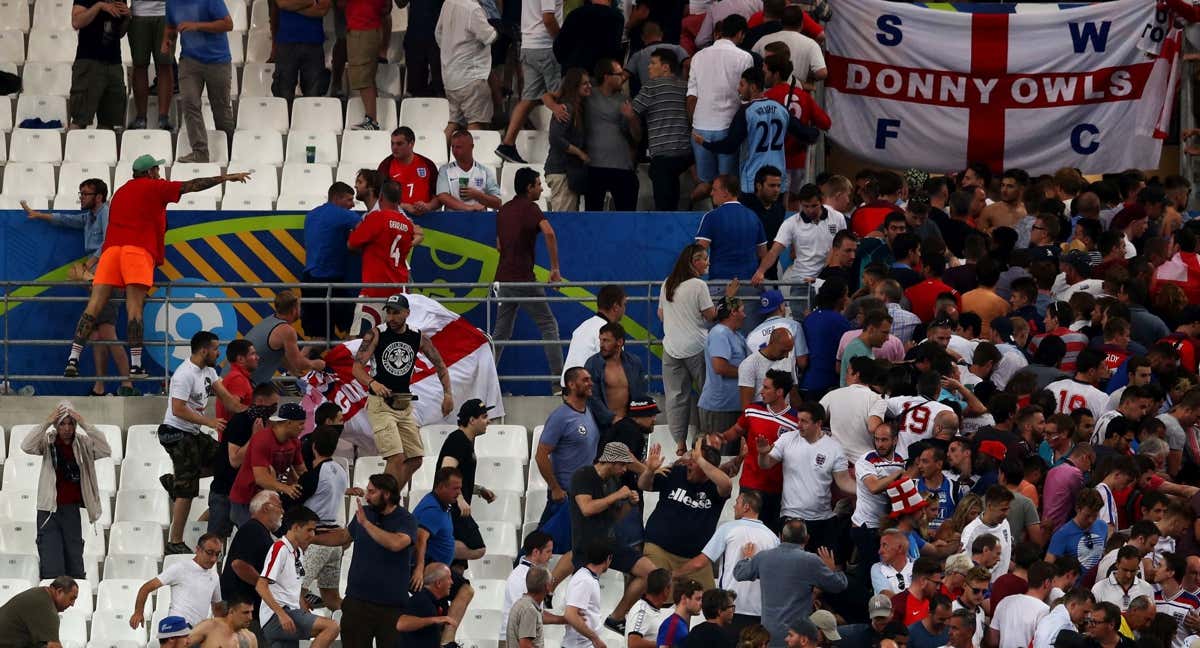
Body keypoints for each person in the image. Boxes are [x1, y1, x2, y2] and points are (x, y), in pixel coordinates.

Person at [62, 159, 249, 377]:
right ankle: (135, 365)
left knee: (93, 306)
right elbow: (192, 185)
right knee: (134, 309)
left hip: (111, 252)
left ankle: (73, 359)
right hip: (137, 252)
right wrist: (225, 178)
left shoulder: (121, 191)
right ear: (150, 172)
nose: (159, 173)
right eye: (157, 169)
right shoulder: (155, 186)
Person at [21, 182, 136, 397]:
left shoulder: (106, 213)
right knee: (96, 334)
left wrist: (89, 265)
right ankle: (100, 386)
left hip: (108, 277)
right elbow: (66, 219)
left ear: (99, 197)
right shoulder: (89, 217)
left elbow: (110, 242)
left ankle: (127, 383)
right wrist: (38, 215)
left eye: (85, 194)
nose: (81, 198)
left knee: (108, 332)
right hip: (96, 279)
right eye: (80, 193)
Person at [158, 330, 249, 554]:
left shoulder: (209, 371)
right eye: (216, 349)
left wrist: (250, 413)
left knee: (225, 463)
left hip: (192, 432)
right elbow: (178, 409)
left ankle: (177, 481)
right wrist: (208, 421)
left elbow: (227, 398)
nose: (219, 353)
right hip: (174, 432)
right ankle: (175, 542)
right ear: (203, 350)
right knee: (188, 489)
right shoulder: (184, 374)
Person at [308, 473, 418, 648]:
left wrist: (366, 524)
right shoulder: (364, 513)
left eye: (372, 492)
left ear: (387, 494)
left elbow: (396, 543)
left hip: (392, 607)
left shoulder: (406, 520)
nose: (366, 496)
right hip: (357, 602)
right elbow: (344, 536)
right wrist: (312, 539)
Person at [353, 293, 454, 486]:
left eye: (396, 313)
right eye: (388, 312)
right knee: (396, 458)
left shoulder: (417, 336)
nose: (390, 317)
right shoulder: (376, 334)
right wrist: (372, 382)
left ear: (407, 313)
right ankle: (383, 501)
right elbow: (356, 368)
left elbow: (440, 364)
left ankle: (389, 497)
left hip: (404, 404)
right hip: (380, 404)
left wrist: (448, 394)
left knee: (415, 459)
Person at [568, 442, 658, 633]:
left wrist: (629, 504)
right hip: (587, 547)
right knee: (585, 608)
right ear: (611, 461)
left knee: (650, 572)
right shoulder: (584, 476)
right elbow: (587, 508)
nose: (625, 470)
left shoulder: (612, 481)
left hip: (609, 542)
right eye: (623, 465)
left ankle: (616, 618)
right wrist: (616, 495)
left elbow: (615, 517)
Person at [693, 67, 818, 196]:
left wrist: (705, 143)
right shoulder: (781, 109)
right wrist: (815, 132)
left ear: (752, 87)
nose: (738, 89)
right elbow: (807, 134)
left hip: (753, 181)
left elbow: (730, 146)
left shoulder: (746, 112)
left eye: (742, 84)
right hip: (777, 180)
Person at [492, 167, 565, 390]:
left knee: (501, 332)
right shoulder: (531, 209)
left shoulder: (504, 210)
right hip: (523, 279)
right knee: (548, 325)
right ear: (529, 188)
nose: (542, 188)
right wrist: (555, 269)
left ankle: (486, 380)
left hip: (503, 279)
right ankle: (557, 383)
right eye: (538, 184)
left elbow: (498, 244)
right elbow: (549, 232)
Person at [22, 402, 111, 580]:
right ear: (56, 424)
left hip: (71, 510)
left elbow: (105, 449)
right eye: (62, 423)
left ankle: (75, 604)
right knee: (51, 565)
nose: (67, 428)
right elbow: (26, 445)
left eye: (71, 423)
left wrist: (85, 423)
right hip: (48, 510)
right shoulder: (48, 442)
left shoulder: (83, 443)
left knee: (75, 564)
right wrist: (47, 422)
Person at [660, 245, 734, 454]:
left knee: (675, 396)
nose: (708, 263)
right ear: (694, 262)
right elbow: (712, 315)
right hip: (697, 347)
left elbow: (661, 314)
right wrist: (728, 297)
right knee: (706, 392)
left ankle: (680, 443)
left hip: (671, 348)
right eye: (704, 259)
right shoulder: (698, 285)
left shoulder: (667, 283)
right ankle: (704, 438)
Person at [756, 402, 854, 553]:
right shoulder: (787, 439)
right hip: (791, 518)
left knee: (823, 568)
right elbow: (766, 464)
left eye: (804, 421)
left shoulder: (834, 448)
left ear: (818, 423)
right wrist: (762, 453)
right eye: (798, 420)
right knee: (789, 566)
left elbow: (844, 481)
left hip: (822, 520)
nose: (799, 425)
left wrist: (865, 491)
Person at [733, 520, 847, 648]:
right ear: (807, 538)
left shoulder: (763, 557)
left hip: (768, 636)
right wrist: (833, 569)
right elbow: (839, 585)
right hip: (797, 638)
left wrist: (748, 558)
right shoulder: (811, 561)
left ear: (781, 536)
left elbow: (739, 574)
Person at [675, 492, 779, 631]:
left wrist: (675, 573)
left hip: (729, 607)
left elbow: (700, 562)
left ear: (746, 507)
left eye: (737, 503)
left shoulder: (728, 528)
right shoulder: (772, 538)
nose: (734, 506)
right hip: (760, 611)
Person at [640, 443, 733, 589]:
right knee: (656, 593)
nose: (689, 462)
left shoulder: (716, 486)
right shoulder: (676, 472)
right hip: (659, 548)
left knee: (712, 604)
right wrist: (649, 471)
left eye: (695, 460)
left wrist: (701, 461)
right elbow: (644, 485)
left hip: (695, 560)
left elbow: (727, 484)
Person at [713, 370, 797, 531]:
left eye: (766, 388)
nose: (761, 391)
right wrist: (721, 438)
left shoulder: (794, 420)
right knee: (742, 529)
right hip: (750, 483)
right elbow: (737, 430)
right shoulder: (752, 409)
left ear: (779, 392)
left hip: (777, 488)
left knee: (768, 533)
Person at [687, 14, 753, 198]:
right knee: (729, 186)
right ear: (740, 34)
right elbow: (746, 95)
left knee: (707, 184)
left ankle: (706, 219)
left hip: (700, 128)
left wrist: (694, 126)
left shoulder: (698, 57)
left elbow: (691, 96)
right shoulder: (745, 57)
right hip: (728, 129)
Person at [288, 426, 352, 611]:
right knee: (332, 598)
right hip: (334, 545)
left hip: (316, 541)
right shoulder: (340, 470)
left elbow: (295, 497)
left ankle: (308, 634)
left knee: (297, 593)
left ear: (313, 447)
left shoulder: (313, 476)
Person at [257, 507, 340, 648]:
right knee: (331, 627)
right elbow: (260, 585)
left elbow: (292, 587)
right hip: (278, 616)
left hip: (289, 614)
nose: (312, 535)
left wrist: (302, 606)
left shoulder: (298, 553)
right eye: (309, 530)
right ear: (295, 527)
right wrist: (281, 614)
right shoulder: (280, 548)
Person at [346, 182, 424, 333]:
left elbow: (352, 244)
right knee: (393, 341)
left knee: (358, 341)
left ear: (380, 197)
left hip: (374, 290)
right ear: (399, 199)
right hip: (398, 291)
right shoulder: (407, 224)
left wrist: (358, 235)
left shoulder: (376, 218)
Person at [411, 469, 477, 646]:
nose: (458, 493)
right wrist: (419, 570)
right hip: (428, 566)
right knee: (465, 590)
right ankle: (446, 643)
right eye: (455, 488)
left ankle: (444, 640)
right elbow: (420, 539)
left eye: (460, 488)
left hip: (436, 565)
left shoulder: (444, 504)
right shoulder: (432, 508)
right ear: (440, 487)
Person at [492, 0, 562, 164]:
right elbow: (548, 18)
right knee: (561, 94)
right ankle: (561, 147)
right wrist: (561, 41)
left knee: (529, 98)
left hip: (528, 45)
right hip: (546, 46)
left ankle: (507, 144)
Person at [168, 0, 234, 162]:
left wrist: (197, 26)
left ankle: (231, 151)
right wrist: (167, 40)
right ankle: (200, 152)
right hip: (189, 61)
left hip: (218, 61)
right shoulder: (171, 3)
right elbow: (170, 27)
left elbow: (228, 24)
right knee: (189, 103)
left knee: (221, 109)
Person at [535, 366, 600, 530]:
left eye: (590, 379)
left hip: (584, 493)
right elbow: (541, 455)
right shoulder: (561, 416)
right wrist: (555, 489)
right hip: (565, 496)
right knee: (547, 545)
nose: (590, 383)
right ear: (571, 384)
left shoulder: (587, 412)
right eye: (585, 380)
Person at [436, 399, 497, 563]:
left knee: (458, 568)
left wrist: (478, 489)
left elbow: (461, 474)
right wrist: (460, 499)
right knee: (477, 548)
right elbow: (446, 471)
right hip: (452, 506)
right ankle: (429, 546)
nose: (488, 421)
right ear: (471, 420)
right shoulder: (458, 440)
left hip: (455, 503)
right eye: (484, 417)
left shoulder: (466, 441)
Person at [228, 402, 307, 528]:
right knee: (253, 536)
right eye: (301, 424)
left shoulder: (294, 442)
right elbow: (261, 478)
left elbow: (302, 470)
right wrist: (286, 488)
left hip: (269, 498)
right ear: (288, 423)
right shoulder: (263, 439)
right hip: (246, 499)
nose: (303, 428)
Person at [631, 47, 691, 211]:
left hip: (663, 153)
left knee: (663, 206)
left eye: (652, 63)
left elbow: (632, 111)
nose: (648, 67)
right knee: (674, 195)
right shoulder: (685, 87)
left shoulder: (651, 86)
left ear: (665, 67)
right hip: (685, 153)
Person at [301, 182, 361, 341]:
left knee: (319, 337)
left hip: (309, 280)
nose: (353, 204)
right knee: (353, 327)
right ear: (337, 198)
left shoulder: (311, 215)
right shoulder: (342, 214)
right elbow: (367, 229)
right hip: (328, 280)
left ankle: (301, 364)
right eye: (349, 200)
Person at [219, 490, 283, 638]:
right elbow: (239, 565)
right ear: (266, 507)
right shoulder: (254, 529)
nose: (282, 511)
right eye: (280, 506)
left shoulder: (258, 530)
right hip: (242, 609)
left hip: (246, 609)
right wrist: (265, 587)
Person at [582, 58, 642, 211]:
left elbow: (637, 137)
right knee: (593, 216)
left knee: (627, 214)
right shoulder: (588, 95)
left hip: (622, 166)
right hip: (595, 166)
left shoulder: (625, 100)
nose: (623, 77)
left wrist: (632, 118)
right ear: (606, 76)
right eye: (619, 74)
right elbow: (554, 94)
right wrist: (554, 106)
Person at [130, 534, 223, 629]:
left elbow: (217, 607)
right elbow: (146, 588)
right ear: (198, 549)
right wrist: (138, 612)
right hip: (176, 627)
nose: (214, 559)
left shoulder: (214, 576)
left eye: (217, 554)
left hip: (196, 632)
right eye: (209, 552)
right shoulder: (180, 568)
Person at [435, 0, 496, 132]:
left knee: (454, 123)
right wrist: (498, 30)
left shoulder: (447, 3)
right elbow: (489, 37)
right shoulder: (473, 9)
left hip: (450, 77)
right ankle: (472, 153)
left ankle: (440, 152)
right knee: (477, 123)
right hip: (471, 77)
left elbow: (438, 35)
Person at [69, 0, 129, 131]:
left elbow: (120, 33)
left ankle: (103, 151)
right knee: (80, 120)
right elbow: (76, 22)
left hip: (114, 62)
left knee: (109, 123)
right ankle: (71, 151)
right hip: (89, 61)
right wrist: (99, 6)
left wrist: (127, 17)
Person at [243, 291, 326, 385]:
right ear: (294, 309)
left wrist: (292, 370)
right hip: (243, 382)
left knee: (272, 397)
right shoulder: (286, 330)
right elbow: (298, 363)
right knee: (271, 397)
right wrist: (316, 364)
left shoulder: (271, 320)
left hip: (235, 377)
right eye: (299, 307)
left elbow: (281, 354)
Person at [698, 299, 751, 443]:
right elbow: (720, 367)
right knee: (721, 457)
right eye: (741, 310)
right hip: (720, 409)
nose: (745, 315)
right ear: (733, 312)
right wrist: (748, 374)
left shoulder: (736, 335)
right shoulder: (719, 334)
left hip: (730, 406)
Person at [503, 532, 564, 644]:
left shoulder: (530, 573)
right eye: (548, 551)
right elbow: (525, 616)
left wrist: (564, 619)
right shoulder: (521, 577)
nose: (551, 556)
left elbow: (536, 613)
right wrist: (565, 619)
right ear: (536, 552)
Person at [585, 322, 648, 430]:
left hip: (630, 424)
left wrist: (638, 419)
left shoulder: (634, 363)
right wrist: (612, 418)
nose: (601, 344)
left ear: (619, 342)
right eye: (600, 340)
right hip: (603, 426)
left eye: (606, 340)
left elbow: (640, 394)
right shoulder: (592, 364)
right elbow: (592, 398)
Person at [543, 67, 590, 212]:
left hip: (568, 172)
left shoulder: (578, 107)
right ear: (574, 86)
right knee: (564, 220)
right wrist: (580, 153)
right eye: (584, 84)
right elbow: (556, 138)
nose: (589, 86)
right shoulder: (566, 108)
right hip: (561, 171)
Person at [563, 285, 627, 385]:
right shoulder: (611, 334)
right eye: (624, 304)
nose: (624, 309)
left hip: (568, 389)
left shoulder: (582, 327)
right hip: (585, 392)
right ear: (615, 307)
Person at [271, 0, 330, 107]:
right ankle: (285, 123)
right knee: (283, 97)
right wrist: (312, 2)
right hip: (286, 42)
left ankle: (310, 123)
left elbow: (323, 9)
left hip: (313, 42)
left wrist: (292, 7)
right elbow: (282, 3)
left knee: (314, 99)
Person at [126, 0, 174, 130]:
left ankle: (163, 117)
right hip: (138, 14)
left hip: (165, 13)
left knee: (164, 64)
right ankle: (141, 117)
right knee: (140, 65)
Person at [986, 560, 1054, 648]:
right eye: (1053, 582)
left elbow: (993, 640)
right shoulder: (1045, 612)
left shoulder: (1005, 601)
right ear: (1047, 583)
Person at [345, 0, 389, 130]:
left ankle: (372, 120)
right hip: (370, 26)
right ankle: (371, 119)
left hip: (362, 28)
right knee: (367, 75)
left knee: (363, 76)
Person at [376, 127, 441, 214]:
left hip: (426, 218)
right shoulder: (385, 166)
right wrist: (402, 206)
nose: (394, 147)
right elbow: (379, 198)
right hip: (396, 218)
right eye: (392, 143)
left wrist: (428, 206)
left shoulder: (427, 164)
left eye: (399, 144)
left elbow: (439, 196)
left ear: (411, 144)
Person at [0, 577, 79, 647]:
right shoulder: (47, 609)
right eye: (71, 598)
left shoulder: (40, 593)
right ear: (59, 591)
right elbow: (53, 646)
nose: (72, 604)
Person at [563, 539, 613, 648]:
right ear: (608, 558)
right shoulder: (585, 580)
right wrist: (595, 639)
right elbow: (570, 614)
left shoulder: (587, 578)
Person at [959, 485, 1015, 583]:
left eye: (1008, 509)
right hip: (983, 591)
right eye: (1003, 509)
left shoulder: (1005, 523)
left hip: (1001, 588)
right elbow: (965, 569)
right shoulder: (971, 532)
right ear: (989, 506)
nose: (1007, 513)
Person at [1047, 489, 1109, 575]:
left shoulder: (1103, 526)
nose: (1091, 520)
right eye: (1087, 516)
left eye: (1095, 516)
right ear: (1077, 509)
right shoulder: (1062, 534)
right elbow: (1048, 567)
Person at [436, 131, 503, 211]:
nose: (454, 150)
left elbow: (498, 203)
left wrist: (477, 195)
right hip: (453, 219)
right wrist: (469, 208)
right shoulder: (445, 170)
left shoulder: (485, 171)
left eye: (458, 147)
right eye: (452, 147)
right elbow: (442, 196)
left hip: (478, 219)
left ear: (471, 147)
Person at [396, 563, 456, 648]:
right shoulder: (422, 601)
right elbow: (400, 623)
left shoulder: (429, 601)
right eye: (449, 578)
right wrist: (435, 620)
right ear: (438, 583)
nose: (452, 582)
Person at [506, 565, 558, 648]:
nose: (553, 583)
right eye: (552, 580)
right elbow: (525, 645)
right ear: (547, 586)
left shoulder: (522, 604)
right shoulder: (529, 610)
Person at [1093, 546, 1155, 610]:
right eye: (1125, 570)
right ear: (1117, 564)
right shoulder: (1099, 589)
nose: (1129, 575)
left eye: (1133, 571)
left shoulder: (1147, 589)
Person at [185, 596, 259, 648]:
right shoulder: (210, 626)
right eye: (245, 612)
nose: (250, 617)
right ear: (231, 611)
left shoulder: (251, 638)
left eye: (251, 612)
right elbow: (180, 644)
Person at [626, 569, 672, 648]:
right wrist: (663, 645)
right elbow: (633, 643)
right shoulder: (642, 611)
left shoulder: (652, 609)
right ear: (665, 590)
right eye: (670, 587)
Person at [216, 339, 257, 421]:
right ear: (241, 359)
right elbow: (232, 407)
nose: (257, 357)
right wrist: (258, 413)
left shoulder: (237, 376)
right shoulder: (237, 379)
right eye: (253, 354)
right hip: (234, 433)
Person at [657, 579, 704, 648]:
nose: (701, 603)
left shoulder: (679, 625)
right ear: (684, 598)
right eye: (698, 599)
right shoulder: (673, 624)